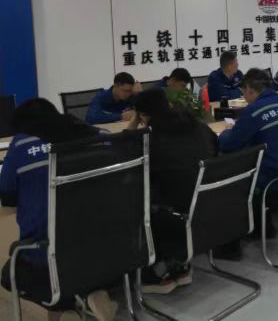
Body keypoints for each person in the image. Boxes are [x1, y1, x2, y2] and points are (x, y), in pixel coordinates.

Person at [0, 99, 117, 321]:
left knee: (15, 271)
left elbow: (7, 192)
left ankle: (66, 308)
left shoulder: (22, 146)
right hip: (112, 248)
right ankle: (89, 293)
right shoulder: (99, 135)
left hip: (52, 255)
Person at [126, 89, 217, 293]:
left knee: (136, 204)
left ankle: (155, 276)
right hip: (209, 205)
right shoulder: (197, 126)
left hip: (178, 214)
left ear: (143, 116)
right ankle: (179, 266)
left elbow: (122, 153)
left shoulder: (150, 139)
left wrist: (133, 124)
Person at [218, 68, 278, 191]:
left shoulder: (253, 110)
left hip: (277, 181)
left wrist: (227, 131)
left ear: (249, 89)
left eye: (243, 93)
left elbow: (228, 144)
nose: (244, 97)